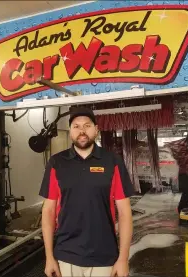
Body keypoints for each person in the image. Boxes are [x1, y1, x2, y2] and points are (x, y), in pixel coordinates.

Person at [39, 107, 134, 277]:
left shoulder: (112, 161)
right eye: (76, 126)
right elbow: (48, 211)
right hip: (66, 255)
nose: (82, 131)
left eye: (87, 125)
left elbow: (125, 212)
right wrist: (49, 257)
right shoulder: (56, 163)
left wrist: (123, 259)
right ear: (70, 132)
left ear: (96, 130)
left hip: (104, 255)